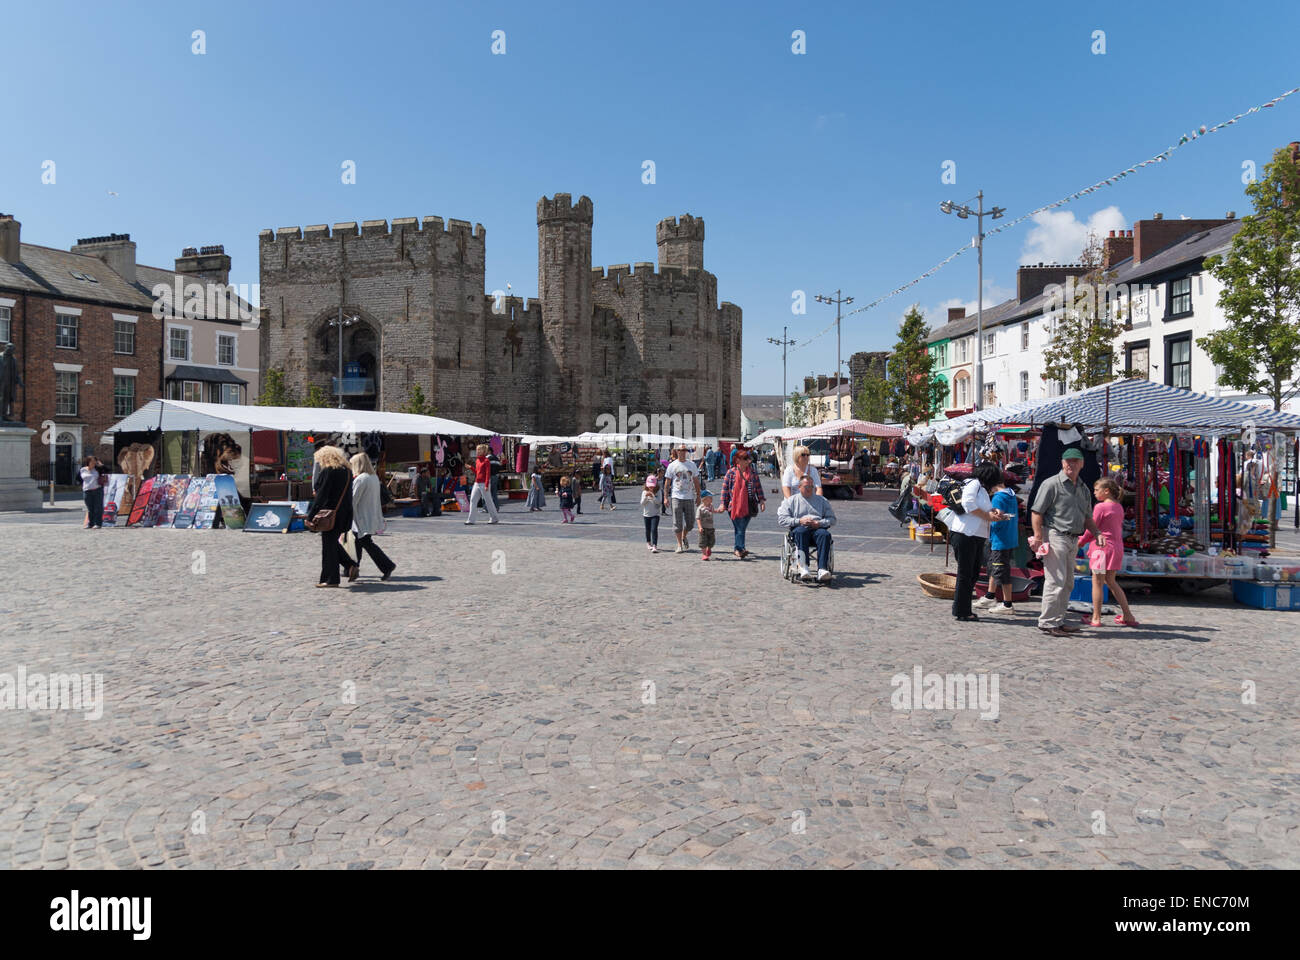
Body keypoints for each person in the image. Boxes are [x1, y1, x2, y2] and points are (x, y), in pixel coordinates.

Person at [1028, 448, 1104, 636]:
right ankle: (1047, 622)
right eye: (1068, 461)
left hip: (1073, 538)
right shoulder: (1051, 484)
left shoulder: (1083, 488)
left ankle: (1058, 620)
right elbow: (1037, 512)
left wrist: (1097, 533)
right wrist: (1038, 536)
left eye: (1075, 461)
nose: (1071, 464)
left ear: (1082, 464)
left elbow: (1087, 517)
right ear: (1062, 463)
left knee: (1068, 582)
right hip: (1056, 535)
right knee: (1056, 581)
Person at [940, 461, 1008, 622]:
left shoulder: (982, 489)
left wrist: (994, 512)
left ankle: (963, 608)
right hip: (965, 533)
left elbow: (983, 508)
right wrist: (987, 516)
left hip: (976, 535)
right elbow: (968, 504)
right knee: (966, 573)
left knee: (973, 572)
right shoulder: (974, 484)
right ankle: (962, 611)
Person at [1079, 477, 1138, 627]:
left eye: (1096, 490)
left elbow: (1092, 529)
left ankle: (1096, 618)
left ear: (1106, 491)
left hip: (1101, 549)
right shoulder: (1119, 507)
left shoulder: (1100, 507)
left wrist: (1080, 542)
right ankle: (1128, 615)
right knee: (1111, 582)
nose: (1094, 493)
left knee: (1097, 582)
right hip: (1116, 548)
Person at [307, 445, 354, 587]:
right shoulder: (347, 471)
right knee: (331, 543)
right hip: (344, 513)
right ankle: (350, 565)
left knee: (328, 547)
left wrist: (310, 516)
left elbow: (321, 495)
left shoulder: (329, 471)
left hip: (330, 514)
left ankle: (331, 579)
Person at [973, 474, 1020, 616]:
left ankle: (1007, 604)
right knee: (995, 566)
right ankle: (990, 595)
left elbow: (996, 516)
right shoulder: (1011, 494)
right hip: (1009, 537)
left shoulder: (998, 497)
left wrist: (985, 517)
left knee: (1001, 570)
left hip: (1000, 539)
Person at [345, 452, 396, 582]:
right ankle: (352, 568)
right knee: (358, 543)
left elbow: (353, 500)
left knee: (365, 543)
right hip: (369, 515)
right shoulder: (373, 477)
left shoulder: (361, 479)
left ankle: (386, 566)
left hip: (361, 517)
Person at [777, 474, 836, 581]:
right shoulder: (791, 501)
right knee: (801, 532)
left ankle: (822, 568)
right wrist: (799, 521)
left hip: (817, 528)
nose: (809, 489)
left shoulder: (822, 500)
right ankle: (803, 566)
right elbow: (782, 519)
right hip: (799, 528)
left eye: (811, 487)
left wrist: (819, 523)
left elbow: (832, 519)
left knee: (825, 534)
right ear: (799, 487)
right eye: (806, 487)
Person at [719, 447, 765, 558]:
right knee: (740, 527)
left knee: (740, 528)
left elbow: (758, 487)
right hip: (733, 506)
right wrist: (723, 504)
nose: (748, 461)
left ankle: (738, 548)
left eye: (748, 459)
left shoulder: (752, 473)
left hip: (749, 505)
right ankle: (739, 549)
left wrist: (762, 501)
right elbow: (725, 489)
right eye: (745, 459)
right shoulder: (731, 473)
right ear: (738, 460)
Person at [665, 445, 701, 552]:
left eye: (685, 450)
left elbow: (696, 481)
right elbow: (667, 482)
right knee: (677, 522)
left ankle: (684, 536)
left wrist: (698, 496)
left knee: (690, 523)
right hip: (676, 496)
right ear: (677, 451)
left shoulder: (692, 465)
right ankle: (679, 545)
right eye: (681, 450)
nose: (683, 452)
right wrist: (665, 497)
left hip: (689, 497)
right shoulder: (672, 465)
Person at [465, 443, 500, 524]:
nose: (477, 451)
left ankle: (494, 518)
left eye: (479, 450)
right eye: (477, 449)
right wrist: (471, 468)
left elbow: (488, 474)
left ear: (483, 451)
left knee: (488, 501)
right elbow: (477, 472)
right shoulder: (477, 460)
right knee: (473, 500)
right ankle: (471, 520)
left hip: (484, 483)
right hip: (477, 483)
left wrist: (487, 485)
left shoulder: (486, 461)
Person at [79, 455, 104, 529]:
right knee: (90, 508)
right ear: (88, 462)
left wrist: (101, 465)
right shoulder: (83, 469)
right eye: (92, 461)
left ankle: (98, 523)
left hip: (97, 490)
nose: (93, 463)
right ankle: (90, 523)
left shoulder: (98, 469)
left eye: (94, 461)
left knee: (98, 508)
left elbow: (107, 471)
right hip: (87, 490)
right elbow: (79, 479)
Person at [640, 475, 661, 552]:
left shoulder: (658, 492)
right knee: (648, 529)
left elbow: (659, 502)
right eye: (649, 486)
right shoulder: (644, 492)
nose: (651, 488)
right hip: (646, 514)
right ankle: (648, 543)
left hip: (655, 514)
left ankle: (655, 545)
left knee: (654, 529)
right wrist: (646, 497)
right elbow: (642, 503)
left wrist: (653, 496)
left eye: (652, 486)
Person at [696, 490, 716, 560]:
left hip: (711, 528)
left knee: (712, 541)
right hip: (703, 528)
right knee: (703, 542)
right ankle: (704, 554)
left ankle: (709, 548)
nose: (712, 499)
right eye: (710, 498)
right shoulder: (700, 508)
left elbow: (713, 511)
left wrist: (718, 511)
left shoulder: (711, 506)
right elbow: (698, 518)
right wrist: (699, 527)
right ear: (704, 499)